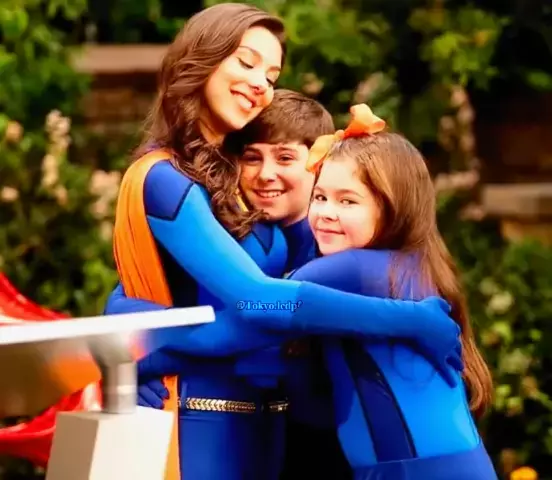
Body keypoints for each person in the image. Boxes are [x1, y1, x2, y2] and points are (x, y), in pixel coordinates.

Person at [109, 69, 461, 480]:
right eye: (251, 157)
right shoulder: (238, 242)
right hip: (265, 443)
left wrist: (144, 353)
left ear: (318, 164)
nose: (265, 174)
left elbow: (261, 312)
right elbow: (132, 295)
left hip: (339, 453)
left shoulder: (346, 253)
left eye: (285, 157)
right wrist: (129, 348)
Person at [282, 104, 496, 479]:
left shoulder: (356, 269)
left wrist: (166, 348)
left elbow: (255, 302)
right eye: (320, 197)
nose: (326, 212)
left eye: (348, 201)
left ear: (394, 208)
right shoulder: (416, 265)